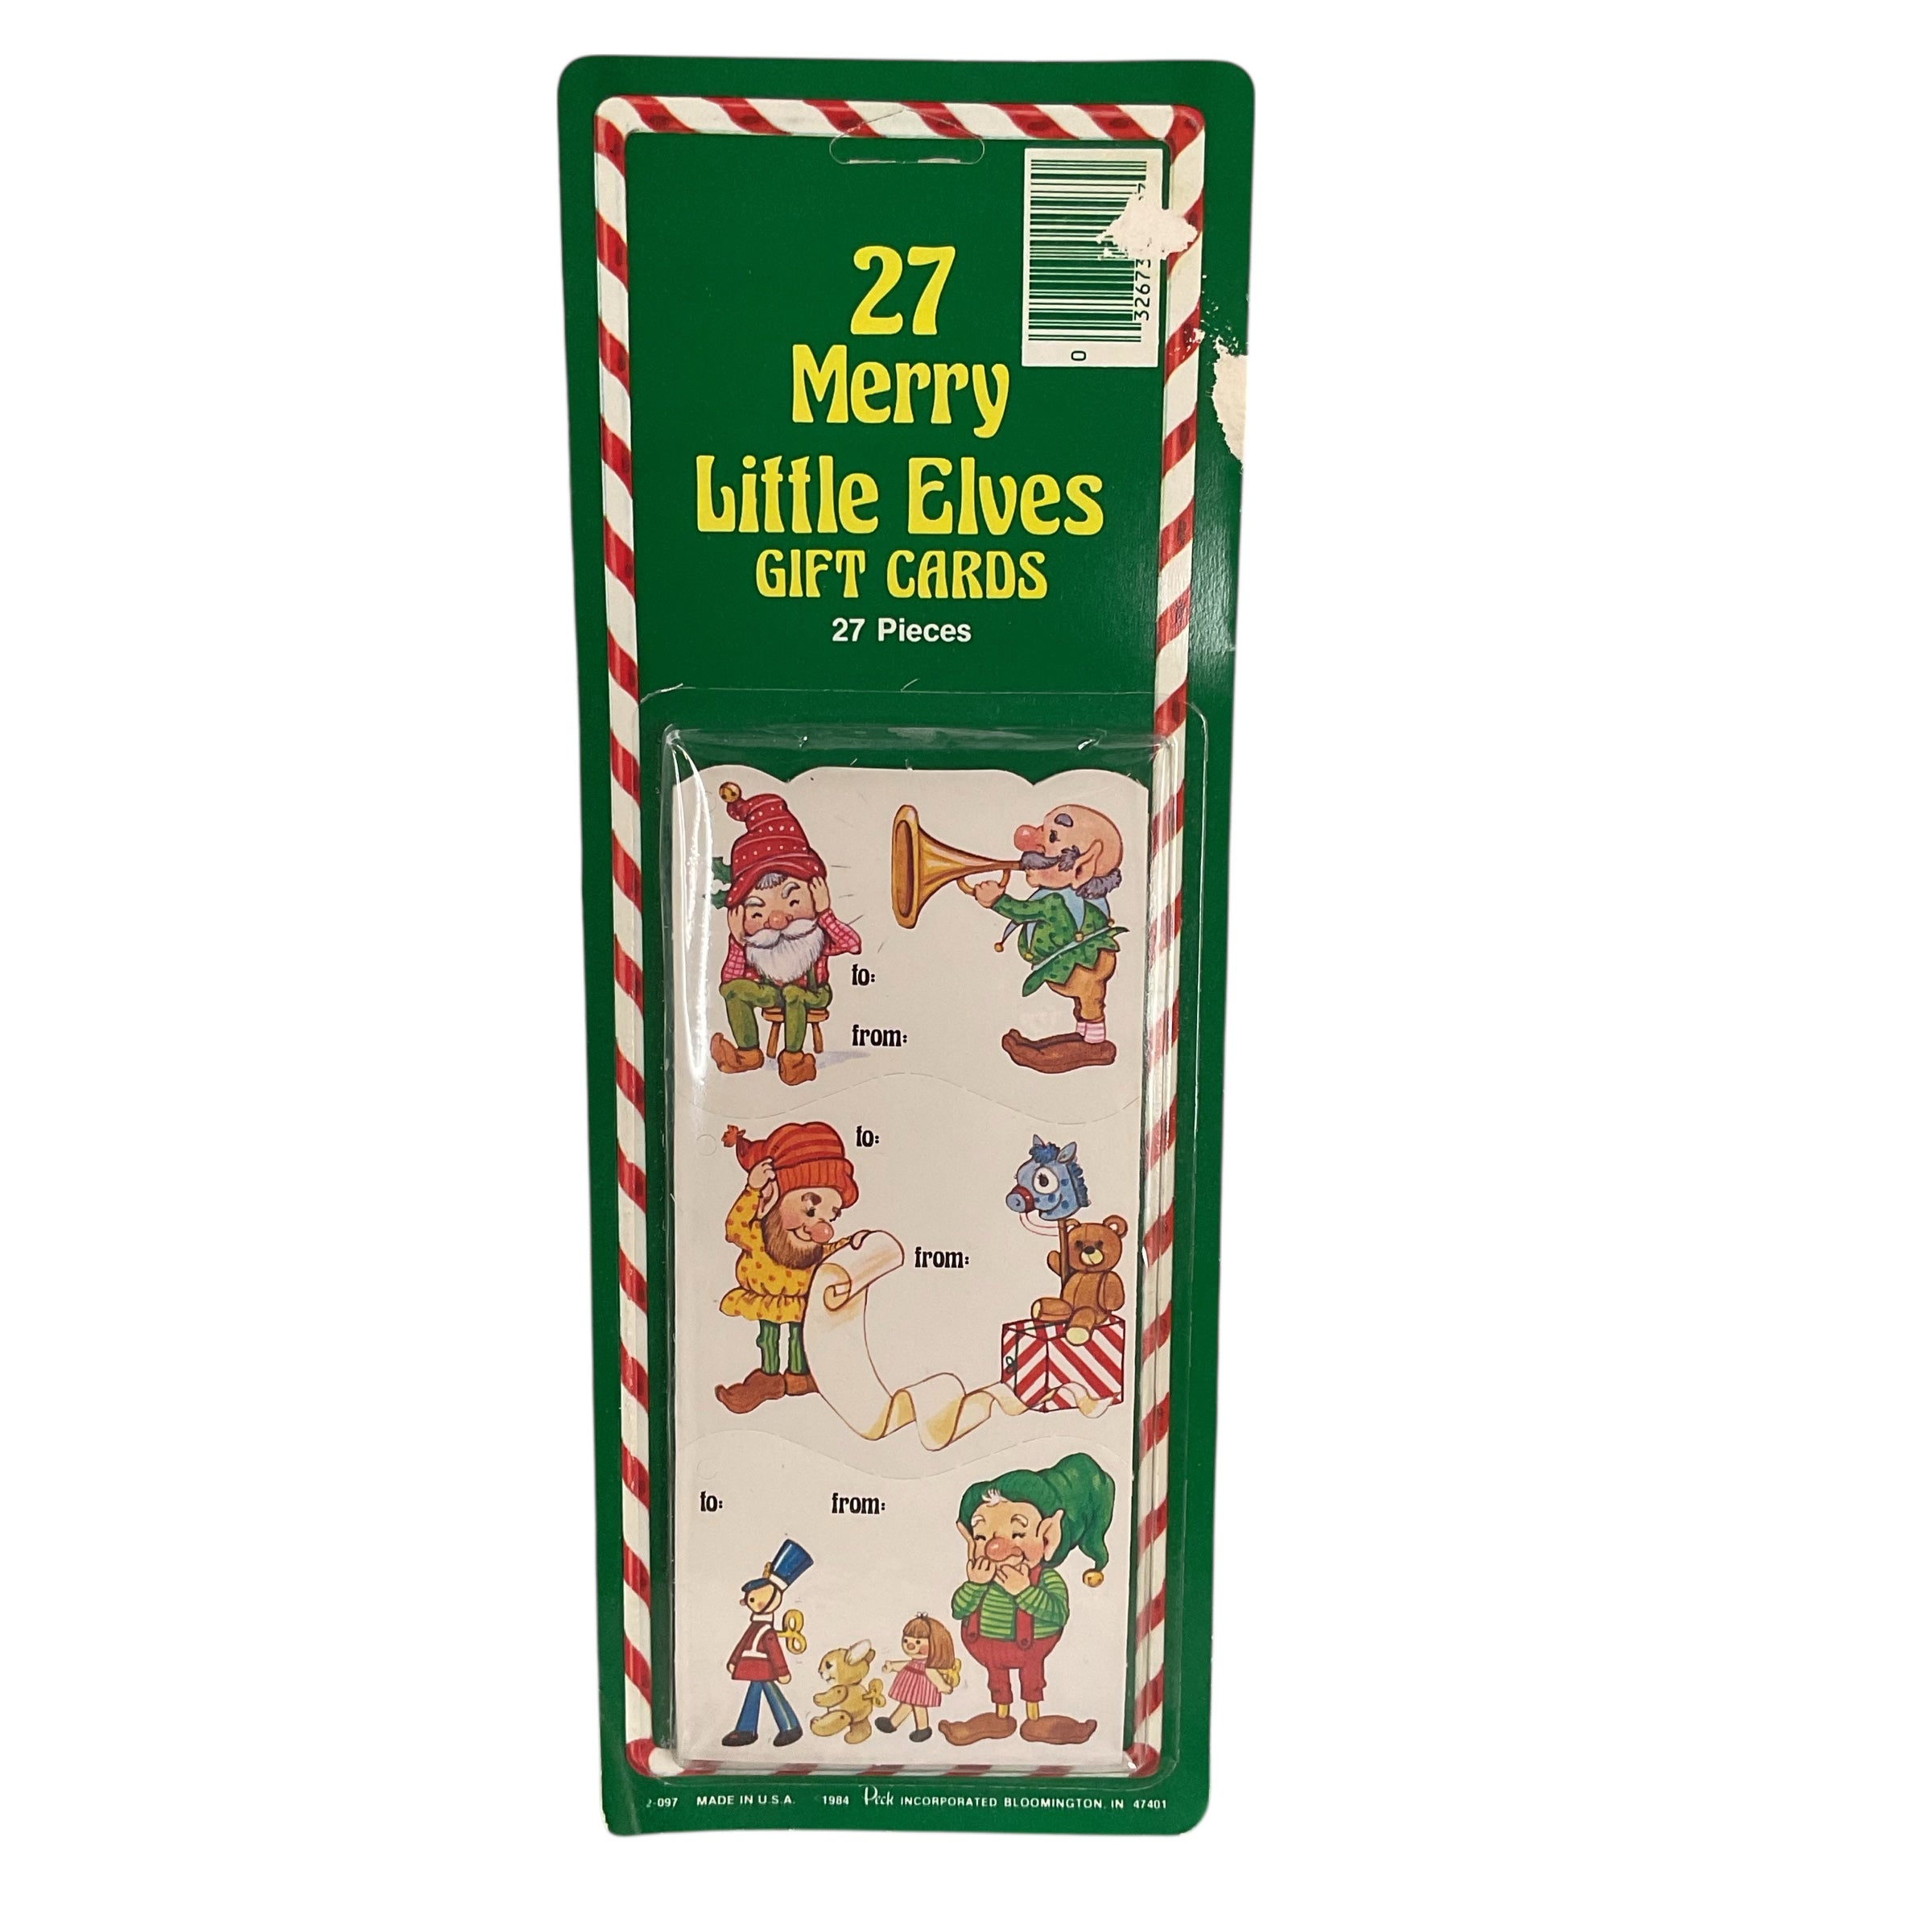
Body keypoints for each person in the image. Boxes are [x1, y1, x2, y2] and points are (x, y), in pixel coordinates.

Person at [940, 1452, 1114, 1747]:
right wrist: (974, 1585)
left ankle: (1035, 1718)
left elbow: (1058, 1614)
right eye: (981, 1536)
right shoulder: (983, 1578)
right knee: (997, 1678)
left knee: (1031, 1678)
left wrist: (1024, 1591)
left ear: (1048, 1537)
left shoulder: (1046, 1579)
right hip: (987, 1645)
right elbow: (959, 1609)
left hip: (1032, 1646)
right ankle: (1000, 1716)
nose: (995, 1546)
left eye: (1018, 1532)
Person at [709, 783, 861, 1086]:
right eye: (759, 911)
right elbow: (730, 978)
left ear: (815, 891)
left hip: (812, 993)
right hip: (771, 991)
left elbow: (852, 944)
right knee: (734, 990)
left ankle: (794, 1059)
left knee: (794, 994)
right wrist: (738, 941)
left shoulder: (814, 933)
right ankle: (748, 1053)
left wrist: (825, 912)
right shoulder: (756, 945)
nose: (778, 920)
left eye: (793, 901)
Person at [715, 1121, 861, 1413]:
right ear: (775, 1199)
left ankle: (799, 1376)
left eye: (830, 1216)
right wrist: (752, 1190)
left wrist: (852, 1243)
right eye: (810, 1210)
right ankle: (769, 1377)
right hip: (767, 1298)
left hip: (800, 1301)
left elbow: (829, 1251)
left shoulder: (813, 1248)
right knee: (768, 1336)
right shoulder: (759, 1236)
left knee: (800, 1336)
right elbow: (734, 1227)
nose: (819, 1227)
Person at [970, 803, 1125, 1073]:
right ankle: (1086, 1034)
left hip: (1080, 963)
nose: (1029, 841)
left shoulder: (1055, 902)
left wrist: (996, 900)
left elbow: (1023, 911)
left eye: (1052, 837)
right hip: (1079, 960)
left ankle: (1093, 1042)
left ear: (1082, 867)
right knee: (1087, 998)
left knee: (1089, 997)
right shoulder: (1081, 899)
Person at [722, 1539, 813, 1747]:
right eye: (752, 1599)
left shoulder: (767, 1631)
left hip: (764, 1667)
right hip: (753, 1666)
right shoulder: (756, 1626)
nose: (757, 1603)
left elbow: (775, 1652)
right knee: (757, 1691)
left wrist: (782, 1671)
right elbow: (743, 1644)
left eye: (759, 1597)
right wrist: (734, 1661)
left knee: (770, 1692)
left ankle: (788, 1726)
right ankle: (750, 1729)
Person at [873, 1613, 959, 1742]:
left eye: (918, 1642)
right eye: (906, 1640)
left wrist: (942, 1685)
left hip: (921, 1688)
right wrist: (892, 1666)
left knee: (918, 1706)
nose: (910, 1645)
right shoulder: (914, 1662)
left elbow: (933, 1675)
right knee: (907, 1704)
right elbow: (905, 1665)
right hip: (911, 1686)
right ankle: (893, 1723)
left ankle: (923, 1728)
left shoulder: (928, 1666)